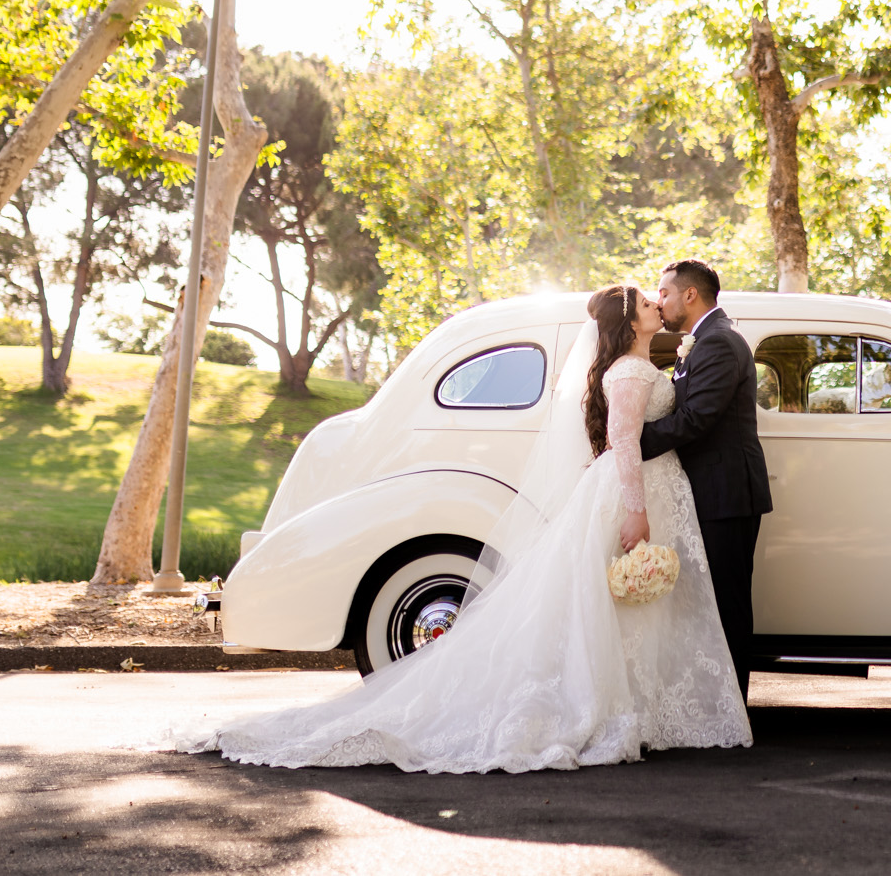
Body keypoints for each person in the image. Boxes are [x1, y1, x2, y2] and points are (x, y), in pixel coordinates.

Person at [165, 285, 751, 772]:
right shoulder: (628, 371)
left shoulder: (641, 362)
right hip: (635, 491)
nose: (657, 303)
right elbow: (624, 440)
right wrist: (634, 506)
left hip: (650, 485)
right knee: (611, 605)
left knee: (630, 609)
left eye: (662, 296)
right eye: (649, 301)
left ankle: (641, 706)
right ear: (629, 322)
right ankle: (614, 710)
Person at [640, 259, 770, 698]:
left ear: (690, 295)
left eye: (665, 293)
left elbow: (696, 419)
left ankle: (733, 711)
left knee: (727, 602)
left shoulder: (717, 343)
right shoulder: (702, 340)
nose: (660, 302)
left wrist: (629, 444)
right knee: (709, 600)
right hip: (710, 491)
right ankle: (717, 705)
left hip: (726, 492)